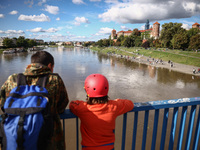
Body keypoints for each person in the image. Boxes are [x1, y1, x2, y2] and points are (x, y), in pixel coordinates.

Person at [0, 51, 69, 150]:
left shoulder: (12, 79)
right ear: (50, 65)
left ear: (31, 64)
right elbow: (63, 105)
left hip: (16, 138)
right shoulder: (54, 79)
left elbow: (3, 105)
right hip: (49, 139)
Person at [70, 74, 134, 150]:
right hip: (109, 147)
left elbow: (72, 105)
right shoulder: (113, 106)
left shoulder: (83, 108)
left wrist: (83, 103)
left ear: (87, 91)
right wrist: (117, 101)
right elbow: (130, 104)